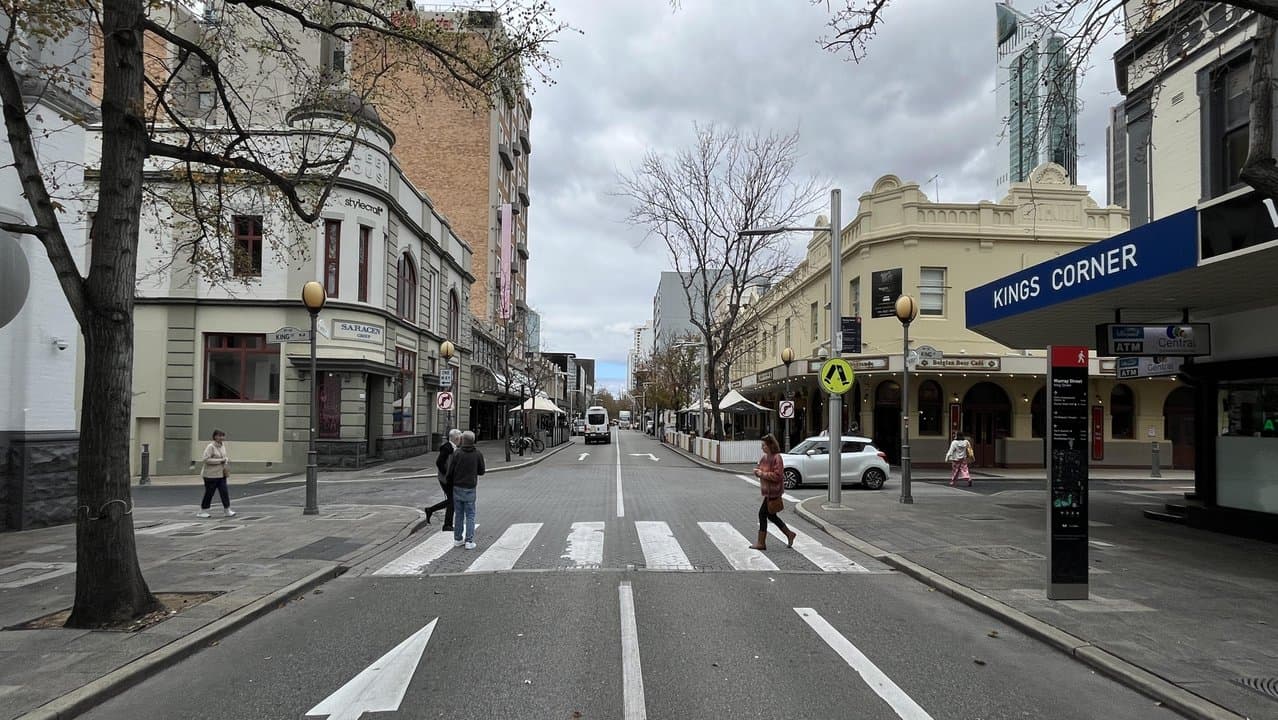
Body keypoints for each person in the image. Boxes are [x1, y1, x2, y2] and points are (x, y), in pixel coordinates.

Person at [750, 433, 797, 551]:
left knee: (762, 514)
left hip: (774, 492)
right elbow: (760, 468)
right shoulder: (764, 458)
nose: (762, 447)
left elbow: (778, 476)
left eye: (764, 445)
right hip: (767, 492)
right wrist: (757, 472)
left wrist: (762, 474)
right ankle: (789, 534)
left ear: (770, 445)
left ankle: (761, 543)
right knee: (771, 515)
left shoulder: (777, 458)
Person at [446, 430, 485, 549]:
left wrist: (449, 483)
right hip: (470, 487)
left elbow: (450, 472)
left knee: (459, 514)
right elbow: (481, 471)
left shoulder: (457, 453)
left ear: (463, 440)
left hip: (457, 487)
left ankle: (458, 539)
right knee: (470, 514)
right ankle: (469, 541)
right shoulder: (478, 454)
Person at [425, 429, 460, 530]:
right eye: (460, 437)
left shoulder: (453, 447)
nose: (461, 440)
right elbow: (439, 462)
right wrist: (447, 474)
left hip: (448, 478)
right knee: (452, 501)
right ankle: (447, 525)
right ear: (456, 438)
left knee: (451, 500)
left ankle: (431, 510)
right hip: (445, 479)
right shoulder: (447, 448)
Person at [197, 429, 236, 518]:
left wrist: (226, 459)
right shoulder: (210, 447)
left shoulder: (222, 446)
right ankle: (203, 510)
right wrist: (220, 460)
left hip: (221, 474)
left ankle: (227, 510)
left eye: (223, 436)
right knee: (209, 492)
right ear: (215, 437)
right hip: (210, 474)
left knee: (224, 492)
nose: (222, 438)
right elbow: (206, 459)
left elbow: (224, 456)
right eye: (219, 436)